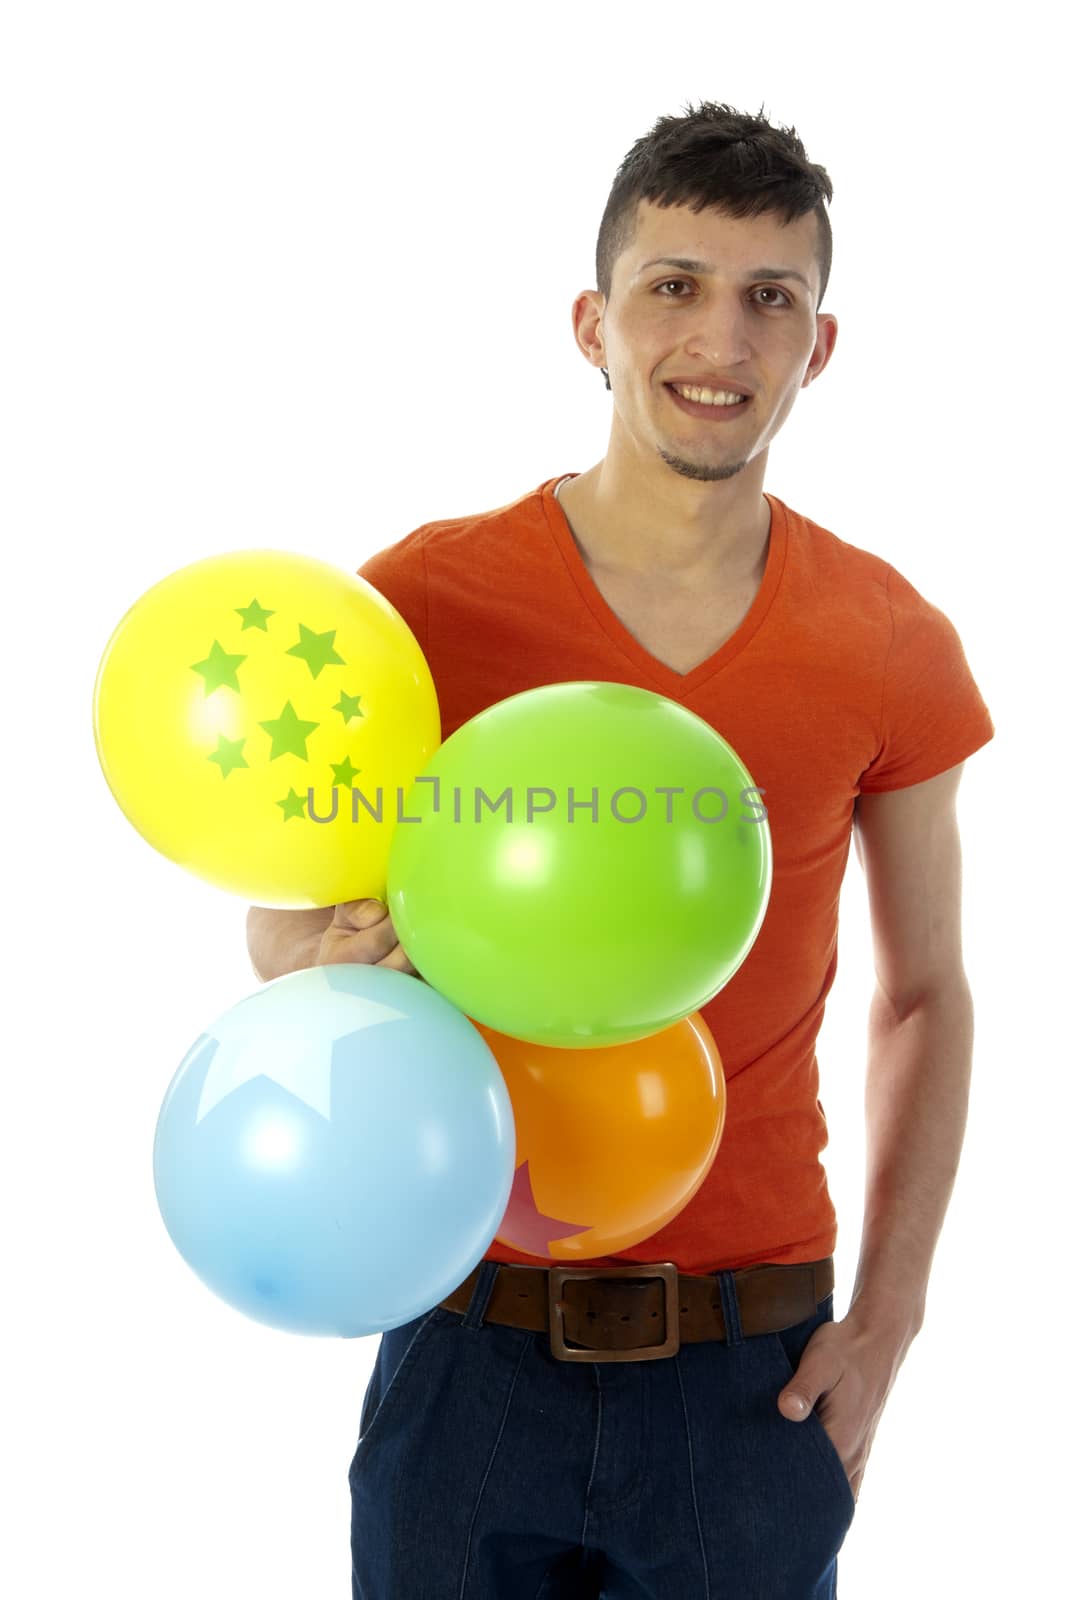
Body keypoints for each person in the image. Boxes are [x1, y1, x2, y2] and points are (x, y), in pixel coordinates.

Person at [246, 99, 994, 1599]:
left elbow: (926, 997)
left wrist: (891, 1318)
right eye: (676, 285)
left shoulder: (890, 641)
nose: (721, 339)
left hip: (751, 1372)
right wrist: (328, 956)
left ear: (817, 347)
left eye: (769, 299)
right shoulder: (427, 604)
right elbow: (288, 924)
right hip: (465, 1344)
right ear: (593, 323)